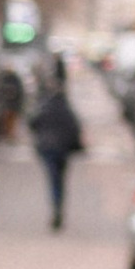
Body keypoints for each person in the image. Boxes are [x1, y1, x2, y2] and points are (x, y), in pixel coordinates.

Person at [29, 66, 83, 231]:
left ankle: (56, 208)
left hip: (49, 149)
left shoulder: (45, 106)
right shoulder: (66, 108)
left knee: (54, 181)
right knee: (59, 181)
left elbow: (32, 123)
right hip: (62, 150)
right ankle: (58, 207)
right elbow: (75, 128)